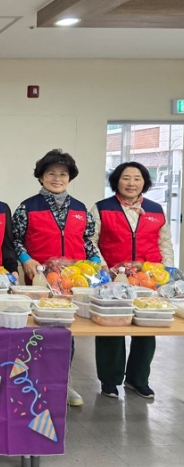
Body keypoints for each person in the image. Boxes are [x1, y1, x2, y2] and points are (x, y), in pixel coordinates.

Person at [12, 149, 101, 407]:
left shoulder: (80, 209)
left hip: (72, 283)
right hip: (39, 280)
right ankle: (32, 382)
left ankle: (63, 383)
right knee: (36, 331)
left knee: (66, 332)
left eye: (63, 174)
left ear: (70, 177)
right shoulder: (27, 207)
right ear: (41, 177)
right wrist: (26, 259)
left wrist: (96, 264)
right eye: (51, 173)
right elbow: (15, 239)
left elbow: (88, 241)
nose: (57, 178)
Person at [90, 162, 173, 400]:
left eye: (137, 178)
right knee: (112, 326)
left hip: (148, 279)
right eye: (126, 178)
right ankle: (109, 380)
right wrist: (103, 268)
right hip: (113, 278)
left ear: (144, 182)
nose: (131, 183)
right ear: (116, 181)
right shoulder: (102, 208)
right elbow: (91, 240)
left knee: (147, 328)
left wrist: (165, 273)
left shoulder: (156, 210)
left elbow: (165, 244)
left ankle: (138, 379)